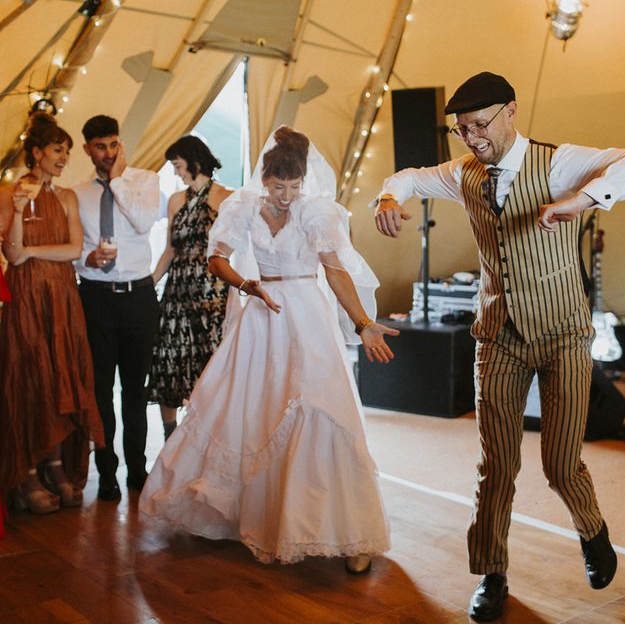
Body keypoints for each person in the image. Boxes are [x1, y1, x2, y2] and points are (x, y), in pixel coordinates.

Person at [374, 72, 625, 621]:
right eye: (462, 130)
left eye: (480, 124)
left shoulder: (559, 162)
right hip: (499, 337)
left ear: (511, 110)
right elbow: (410, 176)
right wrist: (388, 195)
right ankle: (491, 573)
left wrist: (583, 199)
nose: (472, 137)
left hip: (562, 335)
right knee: (496, 464)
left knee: (560, 465)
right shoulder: (462, 173)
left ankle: (593, 529)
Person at [140, 126, 397, 574]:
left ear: (304, 181)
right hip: (262, 312)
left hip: (307, 319)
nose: (286, 196)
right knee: (252, 412)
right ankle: (256, 516)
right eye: (279, 187)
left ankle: (348, 530)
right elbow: (215, 258)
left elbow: (335, 273)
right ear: (265, 180)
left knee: (319, 412)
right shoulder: (242, 206)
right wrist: (245, 285)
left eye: (294, 187)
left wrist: (361, 322)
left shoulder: (316, 213)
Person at [0, 112, 104, 514]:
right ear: (37, 152)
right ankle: (26, 472)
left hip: (62, 297)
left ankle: (57, 466)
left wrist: (32, 252)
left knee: (62, 376)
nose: (63, 158)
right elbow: (11, 253)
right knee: (30, 379)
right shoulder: (9, 192)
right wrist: (21, 217)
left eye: (66, 151)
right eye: (57, 151)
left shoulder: (66, 197)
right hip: (26, 298)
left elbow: (74, 249)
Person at [72, 115, 161, 502]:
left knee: (135, 392)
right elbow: (74, 248)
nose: (107, 153)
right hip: (96, 298)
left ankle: (137, 470)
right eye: (99, 146)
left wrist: (119, 179)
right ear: (87, 149)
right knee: (101, 390)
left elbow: (142, 224)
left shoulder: (145, 181)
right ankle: (106, 473)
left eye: (112, 145)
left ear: (120, 144)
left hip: (139, 297)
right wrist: (85, 261)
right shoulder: (76, 194)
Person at [148, 135, 233, 441]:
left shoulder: (227, 198)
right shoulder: (175, 201)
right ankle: (171, 436)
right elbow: (170, 250)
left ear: (194, 160)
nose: (175, 172)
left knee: (209, 364)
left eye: (177, 164)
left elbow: (233, 249)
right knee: (169, 360)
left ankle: (208, 436)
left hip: (211, 292)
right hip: (177, 292)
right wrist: (150, 284)